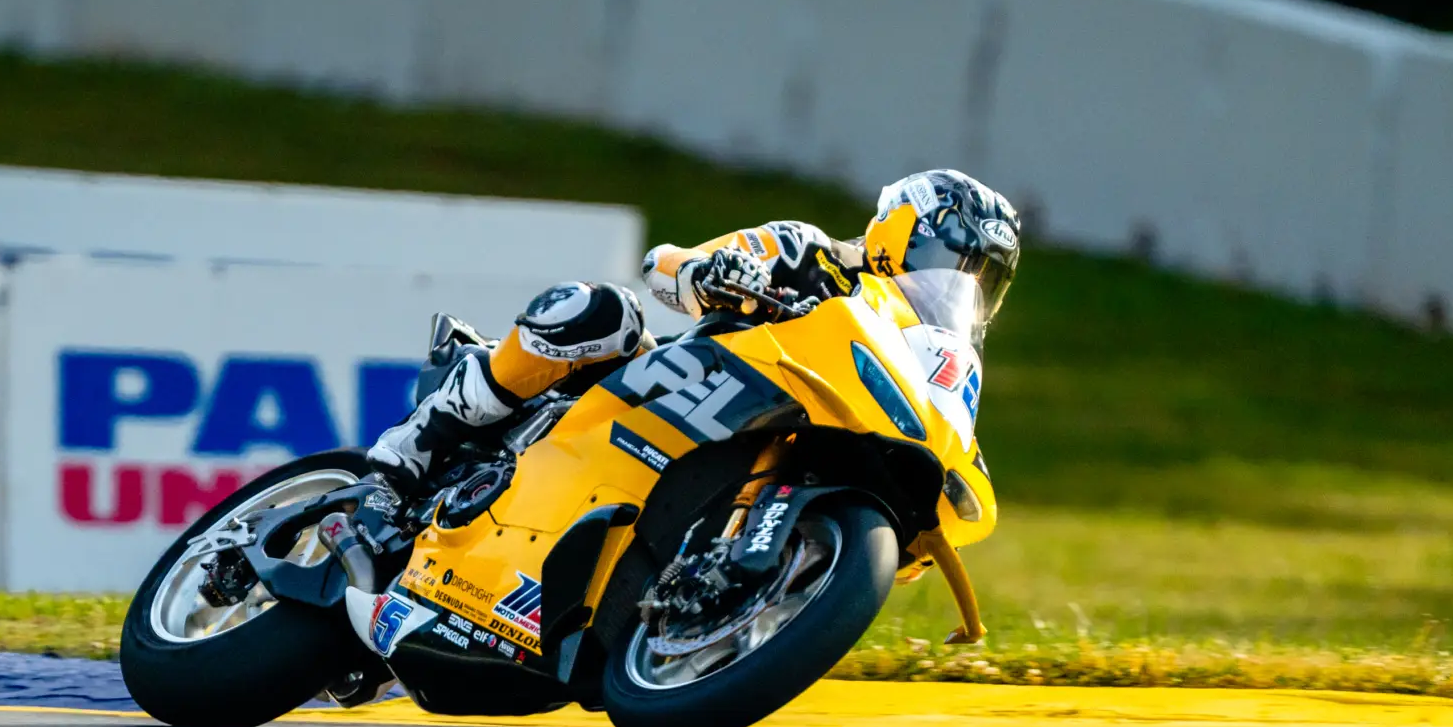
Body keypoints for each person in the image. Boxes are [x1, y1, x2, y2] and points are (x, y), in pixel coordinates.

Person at [317, 168, 1021, 582]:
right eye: (952, 256)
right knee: (600, 311)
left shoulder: (917, 349)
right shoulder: (809, 253)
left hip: (758, 444)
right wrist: (712, 273)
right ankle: (406, 459)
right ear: (902, 229)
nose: (960, 281)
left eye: (980, 277)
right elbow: (665, 265)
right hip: (668, 389)